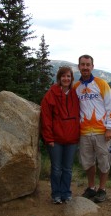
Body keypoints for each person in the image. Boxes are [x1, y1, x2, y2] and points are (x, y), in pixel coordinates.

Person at [74, 54, 111, 203]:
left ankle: (102, 189)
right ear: (79, 66)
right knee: (88, 162)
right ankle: (91, 188)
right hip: (84, 132)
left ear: (92, 66)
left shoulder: (101, 84)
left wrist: (110, 128)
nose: (85, 67)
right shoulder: (76, 88)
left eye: (88, 64)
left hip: (101, 131)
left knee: (104, 160)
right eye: (82, 64)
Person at [40, 66, 80, 204]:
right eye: (63, 76)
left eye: (68, 76)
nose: (66, 79)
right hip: (55, 139)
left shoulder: (76, 94)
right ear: (59, 78)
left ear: (71, 79)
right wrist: (48, 138)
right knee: (56, 169)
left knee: (67, 169)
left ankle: (66, 193)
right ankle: (56, 194)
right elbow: (46, 118)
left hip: (72, 139)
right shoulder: (51, 94)